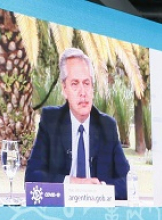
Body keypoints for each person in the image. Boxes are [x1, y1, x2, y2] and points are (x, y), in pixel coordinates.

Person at [26, 47, 129, 200]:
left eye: (86, 83)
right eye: (75, 84)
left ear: (92, 87)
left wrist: (98, 190)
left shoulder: (107, 126)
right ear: (64, 89)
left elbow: (127, 181)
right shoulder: (51, 121)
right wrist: (72, 183)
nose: (83, 92)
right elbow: (32, 177)